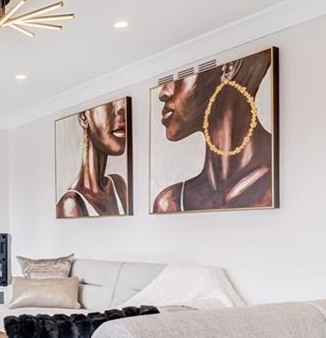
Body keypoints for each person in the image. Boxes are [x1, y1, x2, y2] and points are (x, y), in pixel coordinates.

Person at [153, 50, 274, 212]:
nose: (163, 93)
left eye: (182, 74)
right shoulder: (170, 202)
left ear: (229, 68)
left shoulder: (286, 173)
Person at [56, 98, 129, 218]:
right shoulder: (71, 205)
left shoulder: (118, 184)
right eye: (109, 103)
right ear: (84, 117)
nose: (122, 109)